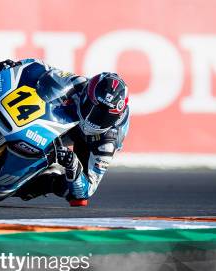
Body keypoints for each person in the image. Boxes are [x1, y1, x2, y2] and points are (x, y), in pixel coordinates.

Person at [7, 59, 130, 206]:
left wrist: (73, 165)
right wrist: (13, 67)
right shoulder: (79, 84)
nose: (94, 119)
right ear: (87, 95)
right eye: (93, 108)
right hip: (67, 115)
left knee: (77, 197)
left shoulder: (108, 141)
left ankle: (34, 183)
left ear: (116, 116)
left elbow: (88, 190)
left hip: (89, 140)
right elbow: (41, 68)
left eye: (104, 116)